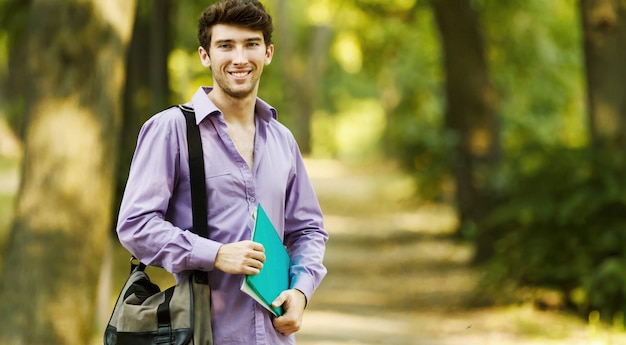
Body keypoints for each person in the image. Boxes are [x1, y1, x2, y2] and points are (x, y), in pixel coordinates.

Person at [116, 0, 328, 344]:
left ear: (268, 53)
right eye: (226, 46)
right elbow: (135, 226)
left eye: (251, 45)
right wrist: (214, 254)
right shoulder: (170, 130)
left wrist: (301, 291)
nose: (240, 58)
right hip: (200, 334)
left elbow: (308, 229)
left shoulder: (282, 139)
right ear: (205, 55)